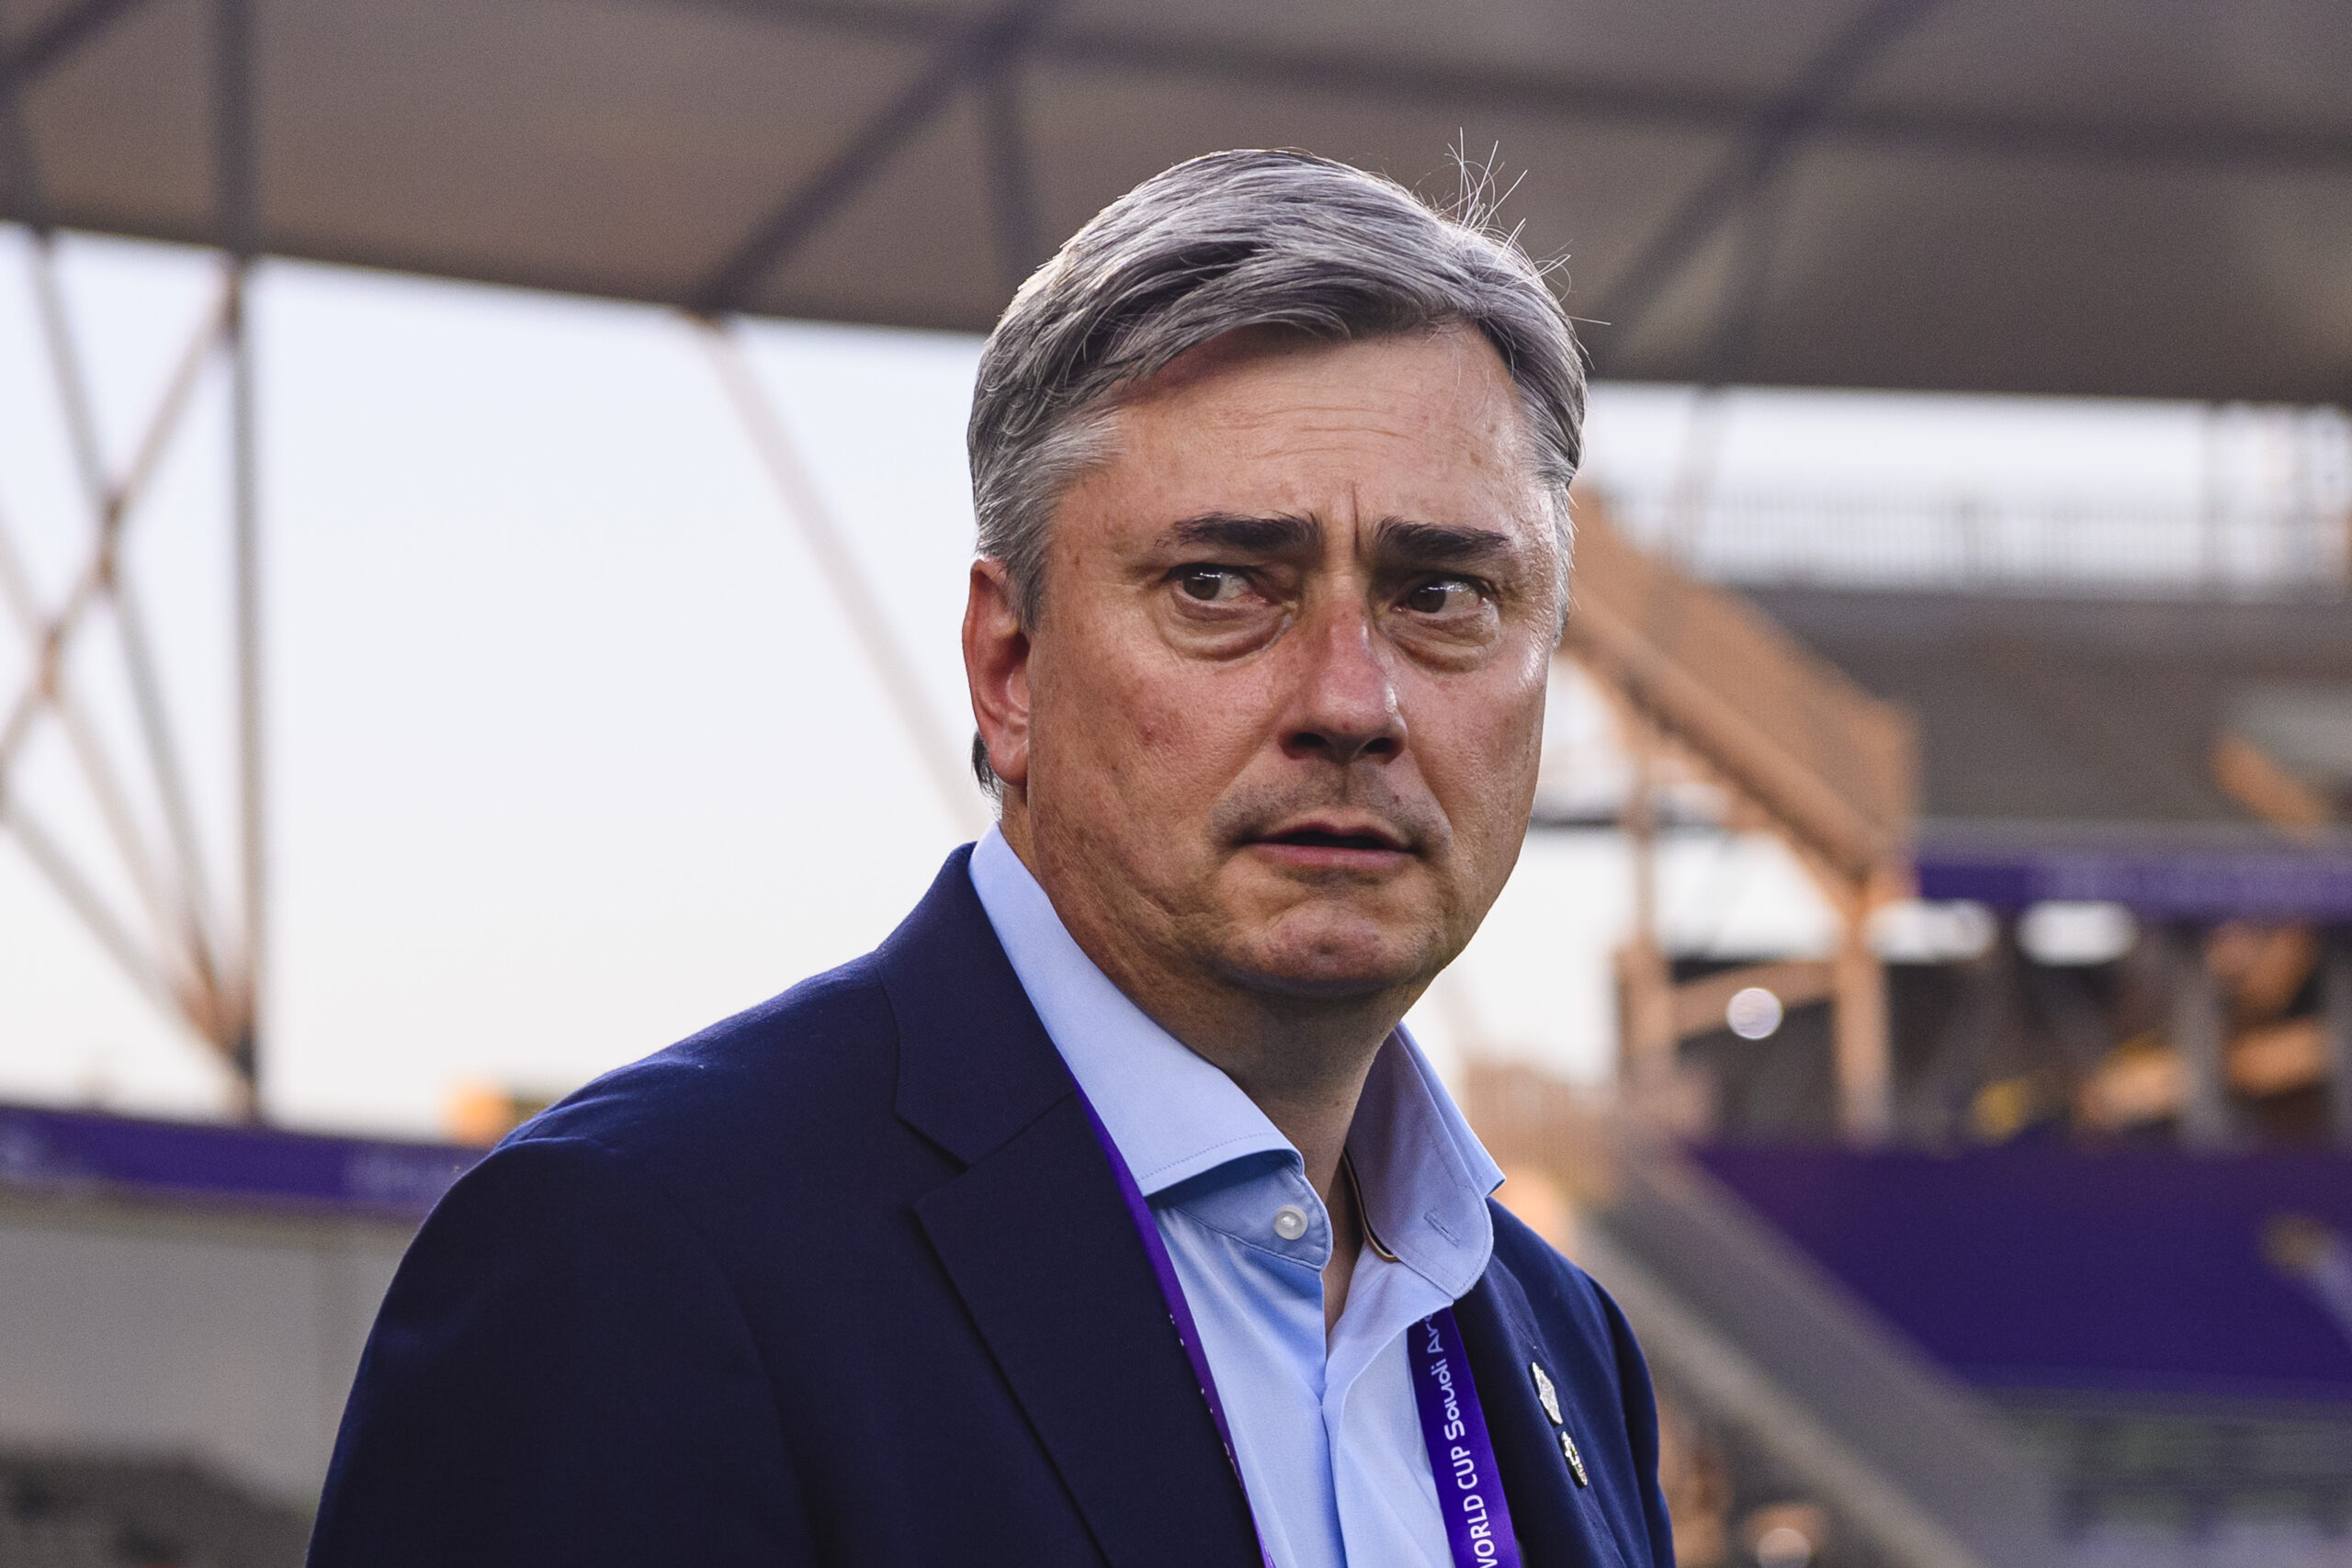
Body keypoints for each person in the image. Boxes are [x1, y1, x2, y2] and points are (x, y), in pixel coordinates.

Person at [308, 149, 1674, 1568]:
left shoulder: (1566, 1349)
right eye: (1220, 586)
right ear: (1009, 668)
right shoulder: (635, 1258)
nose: (1350, 701)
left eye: (1442, 593)